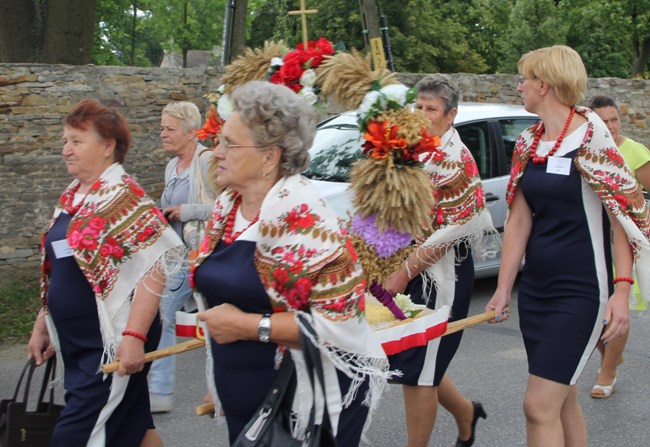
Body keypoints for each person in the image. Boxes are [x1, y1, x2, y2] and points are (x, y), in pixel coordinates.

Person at [192, 80, 389, 445]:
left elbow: (341, 328)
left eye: (230, 144)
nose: (215, 152)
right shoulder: (226, 208)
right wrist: (219, 377)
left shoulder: (309, 222)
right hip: (250, 403)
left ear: (270, 157)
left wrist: (249, 327)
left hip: (307, 406)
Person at [486, 45, 650, 446]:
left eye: (524, 78)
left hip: (580, 292)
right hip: (537, 291)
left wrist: (622, 291)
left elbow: (622, 221)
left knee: (538, 406)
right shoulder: (528, 141)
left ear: (544, 84)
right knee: (562, 401)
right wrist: (504, 288)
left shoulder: (594, 138)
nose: (519, 85)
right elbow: (520, 219)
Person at [27, 99, 183, 446]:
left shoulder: (126, 197)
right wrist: (44, 321)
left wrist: (134, 337)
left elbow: (154, 268)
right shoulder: (74, 196)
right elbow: (64, 268)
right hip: (79, 343)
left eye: (77, 141)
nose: (66, 150)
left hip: (112, 342)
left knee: (75, 435)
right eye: (65, 141)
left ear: (108, 146)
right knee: (137, 428)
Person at [383, 74, 497, 447]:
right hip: (402, 260)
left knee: (419, 370)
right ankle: (465, 412)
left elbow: (450, 234)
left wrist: (403, 273)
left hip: (440, 272)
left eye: (431, 109)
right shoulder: (410, 148)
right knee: (416, 357)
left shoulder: (455, 161)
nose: (422, 113)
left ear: (451, 116)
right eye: (418, 106)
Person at [148, 101, 215, 413]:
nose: (163, 133)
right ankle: (160, 391)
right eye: (162, 127)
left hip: (203, 254)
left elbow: (226, 206)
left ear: (191, 133)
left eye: (169, 129)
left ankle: (164, 391)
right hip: (177, 256)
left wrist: (184, 211)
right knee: (164, 314)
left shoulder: (207, 161)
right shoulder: (171, 167)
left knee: (207, 319)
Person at [588, 95, 650, 398]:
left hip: (624, 243)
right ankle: (610, 355)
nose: (611, 126)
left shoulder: (635, 152)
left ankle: (608, 371)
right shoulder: (586, 152)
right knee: (592, 312)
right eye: (604, 121)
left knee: (617, 310)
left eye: (615, 119)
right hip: (591, 241)